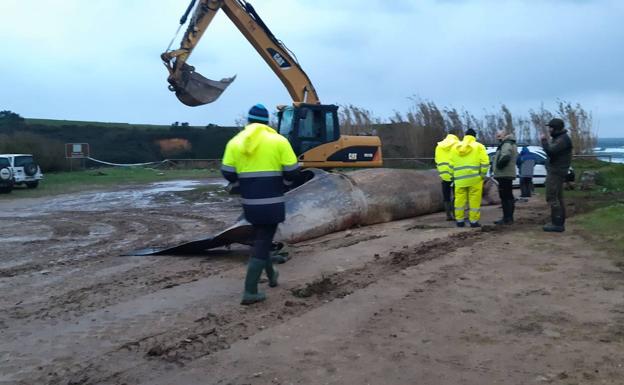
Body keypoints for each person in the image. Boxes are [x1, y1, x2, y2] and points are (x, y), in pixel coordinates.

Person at [221, 104, 301, 305]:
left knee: (260, 238)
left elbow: (227, 172)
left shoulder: (235, 142)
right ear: (267, 123)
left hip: (250, 203)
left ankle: (272, 275)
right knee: (264, 240)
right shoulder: (278, 141)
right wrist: (284, 183)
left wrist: (244, 183)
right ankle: (250, 291)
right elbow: (293, 171)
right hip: (273, 201)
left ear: (249, 121)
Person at [449, 128, 490, 228]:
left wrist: (453, 176)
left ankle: (460, 221)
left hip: (459, 180)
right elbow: (485, 163)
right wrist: (482, 175)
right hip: (475, 179)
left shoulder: (455, 147)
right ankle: (473, 221)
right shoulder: (479, 146)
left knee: (459, 200)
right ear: (474, 136)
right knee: (474, 201)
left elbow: (450, 164)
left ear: (465, 136)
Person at [540, 118, 573, 232]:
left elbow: (551, 151)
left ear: (555, 128)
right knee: (558, 197)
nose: (549, 130)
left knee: (552, 196)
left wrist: (544, 141)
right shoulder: (560, 138)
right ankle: (557, 221)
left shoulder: (562, 139)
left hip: (556, 172)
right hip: (556, 171)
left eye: (550, 127)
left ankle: (557, 223)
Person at [492, 130, 518, 225]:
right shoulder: (510, 143)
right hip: (507, 173)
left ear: (505, 135)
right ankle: (508, 217)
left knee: (505, 196)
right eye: (497, 135)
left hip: (504, 173)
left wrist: (498, 166)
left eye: (499, 135)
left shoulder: (506, 144)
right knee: (508, 195)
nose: (498, 137)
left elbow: (505, 156)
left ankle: (507, 218)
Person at [435, 133, 460, 221]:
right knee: (456, 195)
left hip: (444, 174)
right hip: (455, 174)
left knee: (446, 195)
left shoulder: (439, 146)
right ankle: (456, 214)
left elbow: (437, 159)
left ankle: (448, 215)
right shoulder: (457, 145)